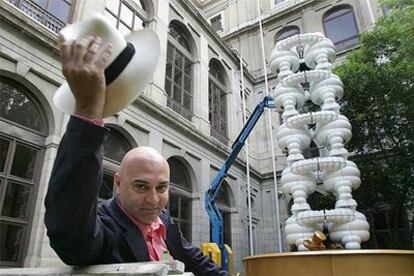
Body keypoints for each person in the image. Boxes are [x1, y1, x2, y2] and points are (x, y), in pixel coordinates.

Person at [44, 34, 227, 276]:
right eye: (141, 186)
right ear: (118, 182)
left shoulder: (165, 222)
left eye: (162, 188)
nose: (153, 199)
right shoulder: (106, 225)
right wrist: (87, 113)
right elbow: (71, 237)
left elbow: (202, 266)